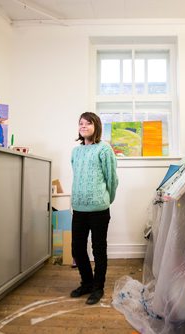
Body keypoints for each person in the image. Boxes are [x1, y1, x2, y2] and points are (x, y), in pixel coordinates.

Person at [70, 112, 118, 305]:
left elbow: (112, 178)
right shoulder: (76, 151)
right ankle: (87, 283)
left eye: (87, 123)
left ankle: (98, 287)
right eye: (80, 123)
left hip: (99, 209)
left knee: (98, 249)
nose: (83, 126)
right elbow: (78, 176)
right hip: (79, 209)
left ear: (96, 126)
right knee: (77, 248)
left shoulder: (104, 149)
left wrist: (107, 199)